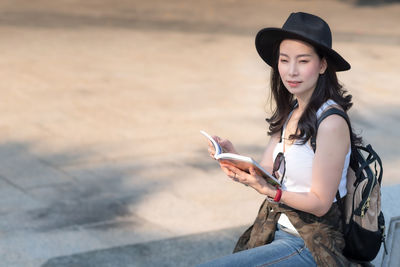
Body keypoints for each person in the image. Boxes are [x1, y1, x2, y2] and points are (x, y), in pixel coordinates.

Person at [198, 12, 361, 267]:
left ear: (322, 65)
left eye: (303, 61)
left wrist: (271, 193)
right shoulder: (291, 110)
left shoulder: (331, 122)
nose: (291, 71)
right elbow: (268, 174)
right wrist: (235, 159)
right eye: (284, 60)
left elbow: (319, 203)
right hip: (275, 229)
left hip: (310, 244)